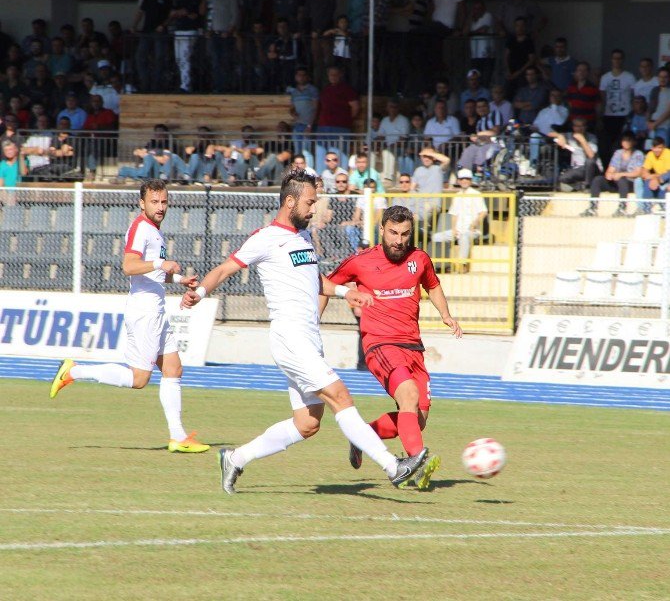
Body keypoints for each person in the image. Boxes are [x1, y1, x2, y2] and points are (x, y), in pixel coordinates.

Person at [180, 169, 428, 494]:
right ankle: (393, 466)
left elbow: (313, 279)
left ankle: (235, 458)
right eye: (310, 203)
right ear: (290, 201)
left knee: (308, 423)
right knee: (341, 396)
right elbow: (226, 268)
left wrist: (344, 293)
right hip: (290, 338)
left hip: (309, 339)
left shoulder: (304, 238)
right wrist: (198, 294)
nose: (314, 210)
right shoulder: (266, 238)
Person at [49, 179, 210, 453]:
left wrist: (180, 278)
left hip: (156, 309)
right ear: (142, 203)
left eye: (164, 202)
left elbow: (152, 273)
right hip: (144, 311)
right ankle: (74, 371)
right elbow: (128, 265)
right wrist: (162, 263)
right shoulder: (141, 228)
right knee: (139, 379)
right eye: (154, 202)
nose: (160, 207)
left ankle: (178, 437)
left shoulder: (154, 231)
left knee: (173, 369)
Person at [323, 204, 462, 489]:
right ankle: (417, 466)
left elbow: (432, 285)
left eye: (405, 234)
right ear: (382, 229)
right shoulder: (360, 261)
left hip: (413, 347)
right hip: (380, 345)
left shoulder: (419, 259)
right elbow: (324, 283)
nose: (399, 240)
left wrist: (445, 314)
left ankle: (362, 436)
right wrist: (313, 321)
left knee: (417, 419)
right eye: (393, 233)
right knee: (408, 394)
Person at [432, 168, 488, 268]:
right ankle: (440, 265)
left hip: (472, 231)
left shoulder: (477, 194)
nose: (464, 181)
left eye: (467, 179)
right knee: (435, 237)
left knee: (464, 236)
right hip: (458, 230)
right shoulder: (457, 196)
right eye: (462, 179)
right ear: (458, 181)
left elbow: (483, 212)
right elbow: (454, 214)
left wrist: (474, 224)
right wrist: (453, 228)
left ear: (470, 180)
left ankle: (462, 264)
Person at [581, 131, 643, 218]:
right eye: (624, 140)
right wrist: (609, 175)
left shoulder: (638, 154)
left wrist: (621, 174)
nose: (626, 142)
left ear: (634, 142)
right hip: (616, 182)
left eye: (629, 140)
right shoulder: (618, 153)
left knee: (622, 180)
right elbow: (610, 169)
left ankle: (622, 208)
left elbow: (637, 173)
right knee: (598, 180)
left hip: (630, 182)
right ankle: (592, 208)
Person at [599, 49, 636, 165]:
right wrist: (600, 117)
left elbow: (633, 96)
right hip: (609, 116)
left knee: (622, 144)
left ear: (623, 60)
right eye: (615, 58)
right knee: (607, 146)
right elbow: (603, 99)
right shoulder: (605, 78)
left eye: (619, 58)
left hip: (624, 115)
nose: (617, 60)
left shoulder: (630, 77)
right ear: (611, 60)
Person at [550, 117, 600, 191]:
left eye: (582, 126)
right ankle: (581, 186)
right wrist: (559, 136)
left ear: (586, 127)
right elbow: (549, 133)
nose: (579, 128)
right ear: (573, 127)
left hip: (592, 168)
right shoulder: (569, 135)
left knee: (590, 161)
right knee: (563, 178)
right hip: (577, 169)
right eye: (577, 126)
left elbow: (591, 155)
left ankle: (588, 187)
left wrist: (582, 140)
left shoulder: (592, 137)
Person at [636, 136, 670, 212]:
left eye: (660, 148)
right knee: (646, 182)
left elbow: (668, 172)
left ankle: (665, 209)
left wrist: (656, 178)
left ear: (664, 147)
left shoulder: (668, 153)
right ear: (652, 148)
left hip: (666, 177)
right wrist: (653, 177)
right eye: (655, 148)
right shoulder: (650, 155)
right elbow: (644, 171)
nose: (657, 150)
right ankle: (646, 210)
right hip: (658, 178)